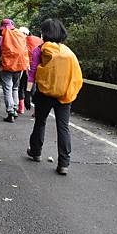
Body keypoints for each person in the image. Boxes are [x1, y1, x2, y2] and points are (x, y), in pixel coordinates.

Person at [26, 18, 83, 175]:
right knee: (63, 127)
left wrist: (28, 92)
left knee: (40, 122)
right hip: (64, 95)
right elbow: (76, 76)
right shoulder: (68, 52)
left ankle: (36, 152)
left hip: (45, 94)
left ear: (44, 33)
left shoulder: (40, 50)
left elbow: (32, 74)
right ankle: (63, 163)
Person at [0, 18, 29, 123]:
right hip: (19, 66)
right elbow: (25, 51)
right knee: (15, 88)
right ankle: (15, 109)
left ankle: (10, 112)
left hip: (6, 67)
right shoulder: (20, 36)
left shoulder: (0, 38)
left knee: (8, 88)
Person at [17, 26, 43, 115]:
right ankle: (37, 110)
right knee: (33, 89)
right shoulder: (36, 41)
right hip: (35, 67)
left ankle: (21, 108)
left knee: (21, 87)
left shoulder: (21, 41)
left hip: (24, 66)